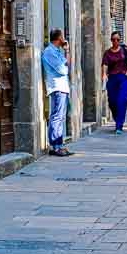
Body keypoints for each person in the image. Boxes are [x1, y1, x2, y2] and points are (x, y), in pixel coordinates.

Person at [41, 28, 74, 157]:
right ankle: (55, 146)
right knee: (56, 117)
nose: (64, 39)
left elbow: (68, 64)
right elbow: (63, 70)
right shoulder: (49, 52)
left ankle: (59, 145)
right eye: (62, 37)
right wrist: (65, 63)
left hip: (63, 88)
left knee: (60, 117)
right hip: (57, 88)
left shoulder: (57, 51)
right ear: (59, 38)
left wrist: (67, 50)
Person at [101, 31, 127, 134]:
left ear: (120, 40)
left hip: (123, 77)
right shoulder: (107, 53)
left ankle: (119, 125)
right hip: (112, 78)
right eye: (113, 39)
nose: (115, 41)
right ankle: (117, 119)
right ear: (111, 40)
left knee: (122, 100)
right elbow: (105, 64)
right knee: (112, 102)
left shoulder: (124, 50)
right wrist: (104, 74)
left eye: (118, 40)